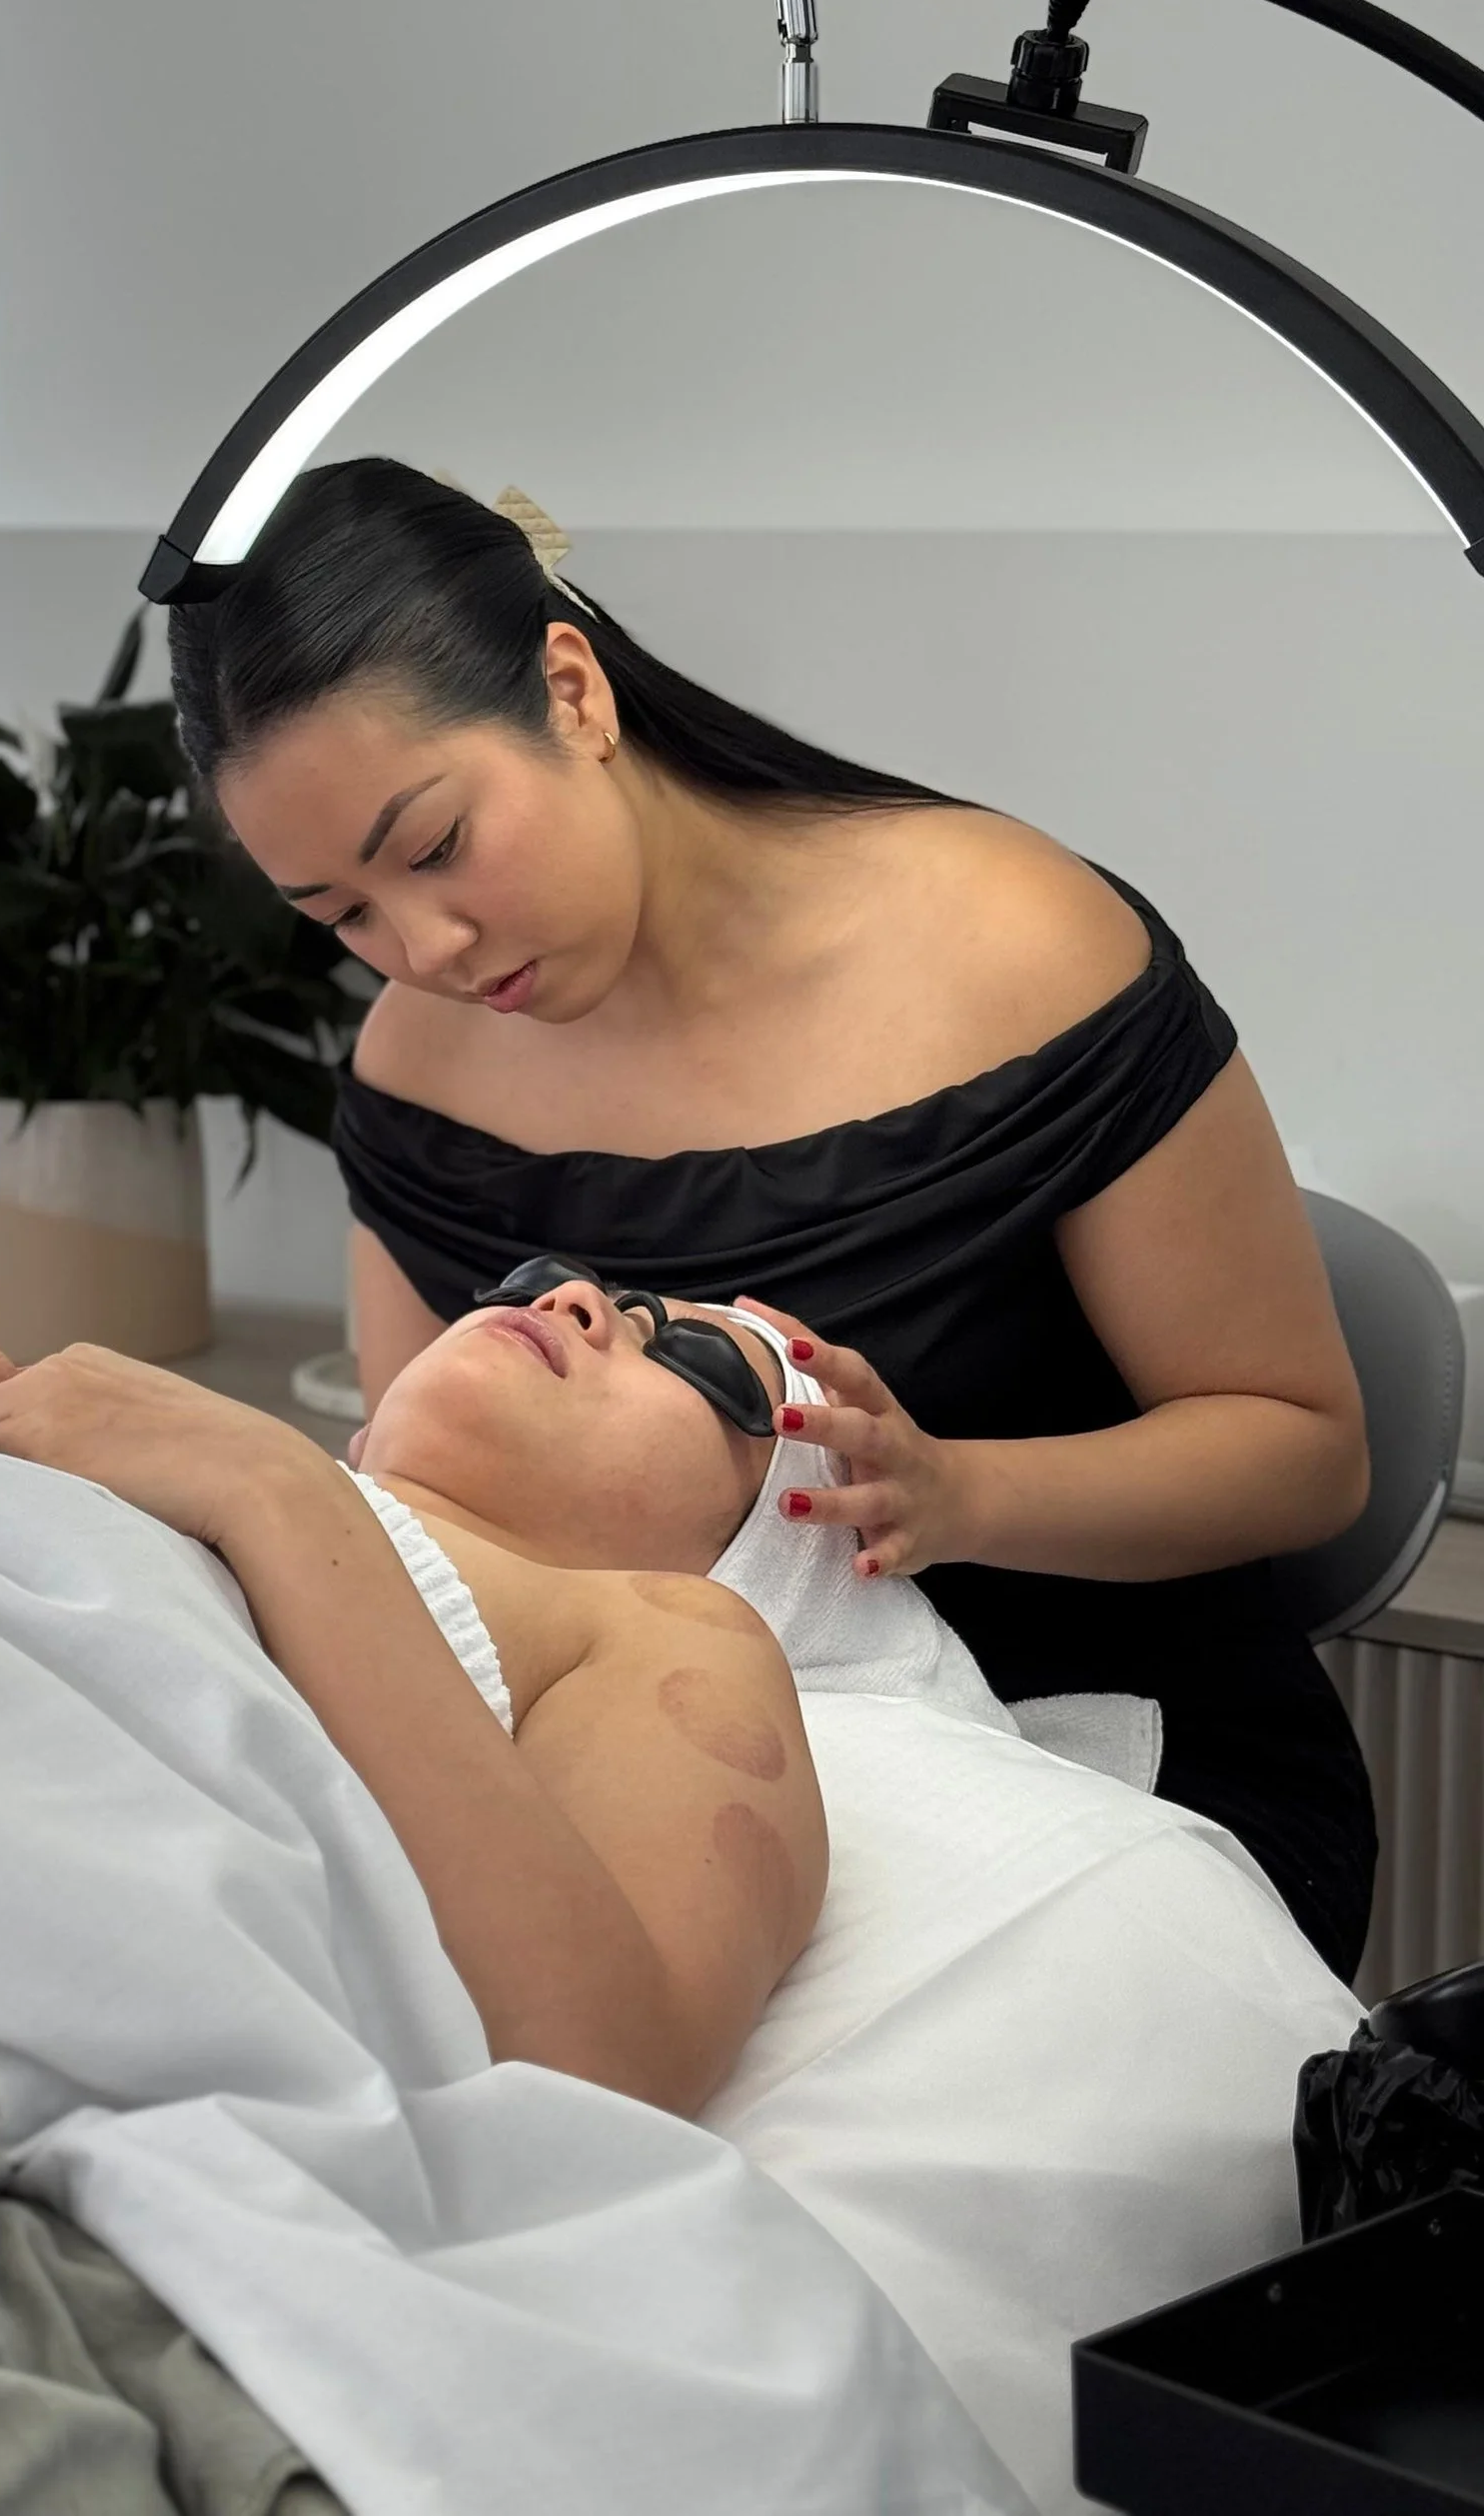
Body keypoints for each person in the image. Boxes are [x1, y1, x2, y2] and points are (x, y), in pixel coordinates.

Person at [159, 457, 1376, 1979]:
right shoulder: (421, 1071)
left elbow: (1304, 1450)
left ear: (571, 692)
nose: (426, 947)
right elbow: (432, 1522)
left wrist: (962, 1495)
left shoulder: (1014, 945)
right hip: (644, 1782)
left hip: (1100, 1773)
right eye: (341, 914)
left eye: (436, 848)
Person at [0, 1267, 825, 2116]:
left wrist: (273, 1487)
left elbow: (602, 2075)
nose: (573, 1299)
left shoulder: (659, 1628)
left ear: (762, 1558)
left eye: (700, 1361)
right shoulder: (149, 1440)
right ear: (364, 1436)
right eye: (535, 1278)